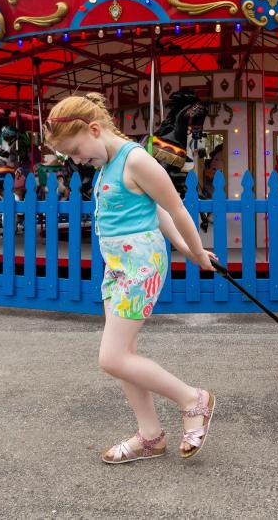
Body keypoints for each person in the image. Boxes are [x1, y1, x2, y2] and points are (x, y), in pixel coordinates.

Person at [44, 92, 218, 464]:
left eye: (77, 151)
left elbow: (175, 209)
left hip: (141, 267)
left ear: (94, 129)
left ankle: (193, 399)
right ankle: (151, 436)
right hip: (117, 267)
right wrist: (188, 251)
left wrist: (196, 251)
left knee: (111, 358)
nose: (78, 161)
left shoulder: (136, 159)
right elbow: (151, 211)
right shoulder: (107, 164)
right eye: (72, 156)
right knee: (125, 355)